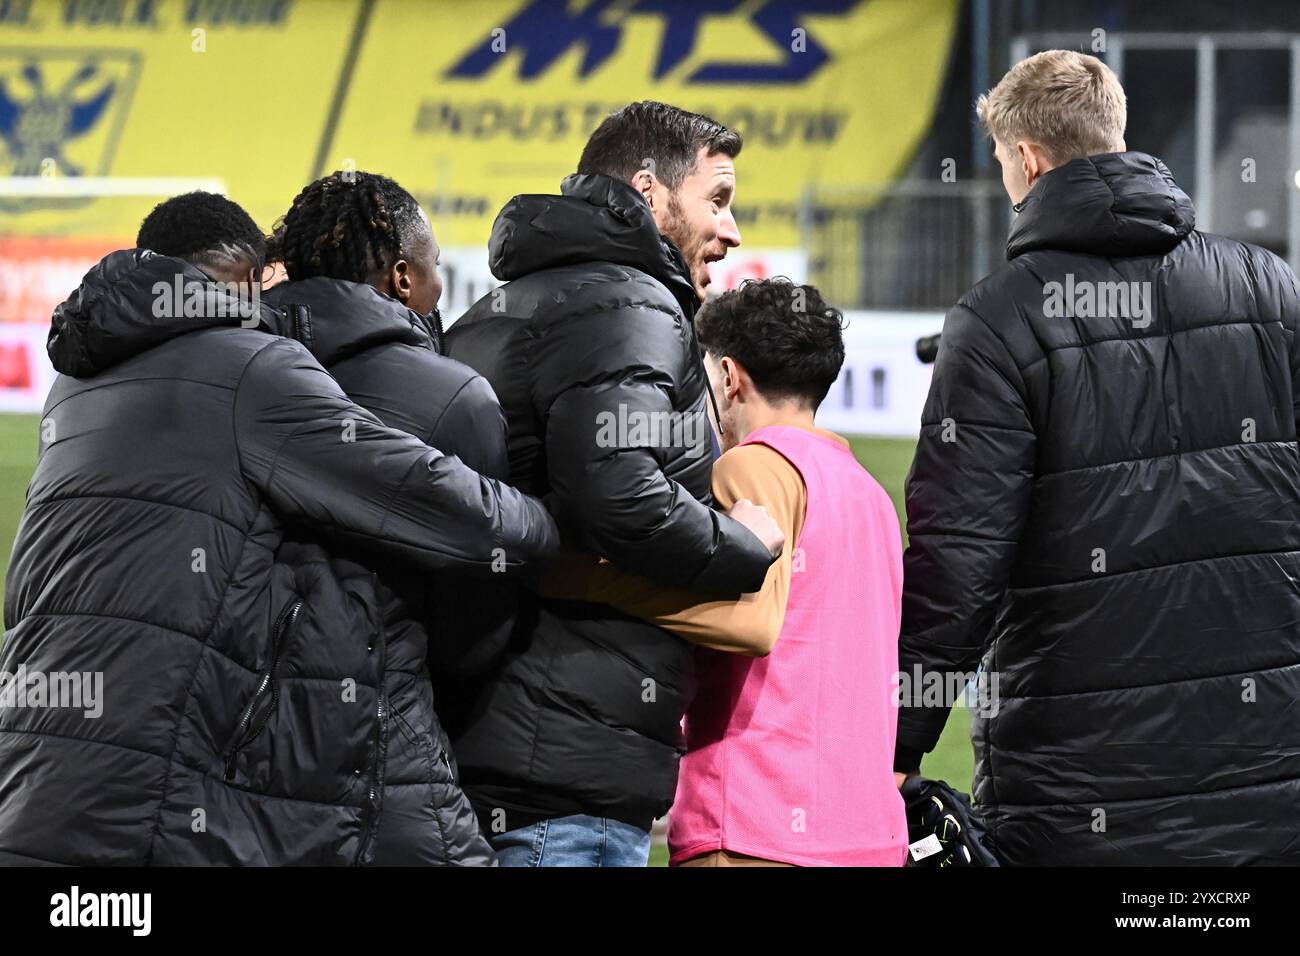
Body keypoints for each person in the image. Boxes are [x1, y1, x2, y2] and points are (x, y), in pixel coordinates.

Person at [0, 191, 558, 866]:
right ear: (251, 279)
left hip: (31, 781)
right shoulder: (254, 369)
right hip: (153, 799)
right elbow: (442, 503)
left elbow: (22, 591)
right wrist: (551, 520)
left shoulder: (76, 386)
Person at [895, 50, 1300, 864]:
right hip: (1267, 775)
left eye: (1004, 160)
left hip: (1076, 790)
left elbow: (956, 565)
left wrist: (894, 743)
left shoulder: (999, 320)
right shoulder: (1270, 285)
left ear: (1029, 159)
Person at [444, 101, 784, 866]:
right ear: (649, 192)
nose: (732, 234)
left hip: (502, 743)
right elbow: (617, 492)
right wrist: (742, 547)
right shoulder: (629, 304)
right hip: (560, 776)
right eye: (718, 201)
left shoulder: (512, 303)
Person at [542, 278, 909, 867]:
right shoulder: (873, 498)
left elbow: (750, 623)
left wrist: (587, 578)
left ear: (729, 376)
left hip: (755, 824)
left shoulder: (752, 465)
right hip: (865, 835)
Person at [261, 170, 518, 861]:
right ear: (404, 278)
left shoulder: (228, 373)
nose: (440, 291)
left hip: (230, 763)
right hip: (390, 761)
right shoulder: (454, 395)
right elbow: (476, 618)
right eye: (434, 271)